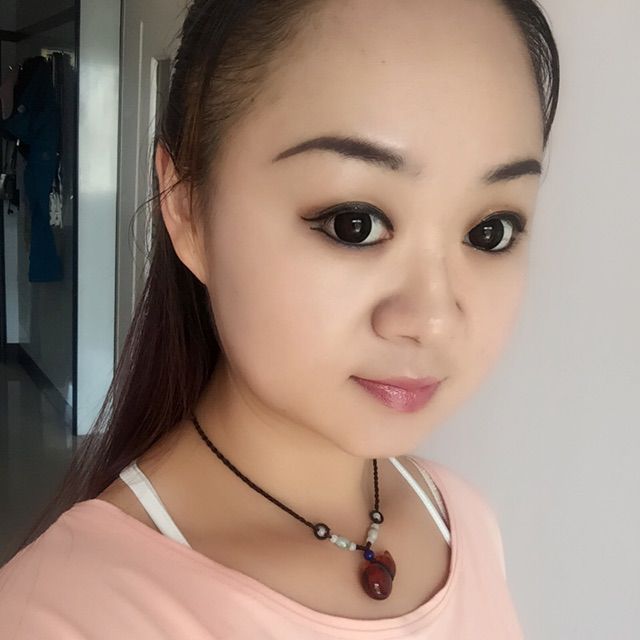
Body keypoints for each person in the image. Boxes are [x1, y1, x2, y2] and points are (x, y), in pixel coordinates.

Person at [0, 0, 560, 637]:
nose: (432, 320)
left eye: (491, 231)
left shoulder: (466, 523)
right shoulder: (60, 616)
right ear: (186, 208)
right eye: (355, 223)